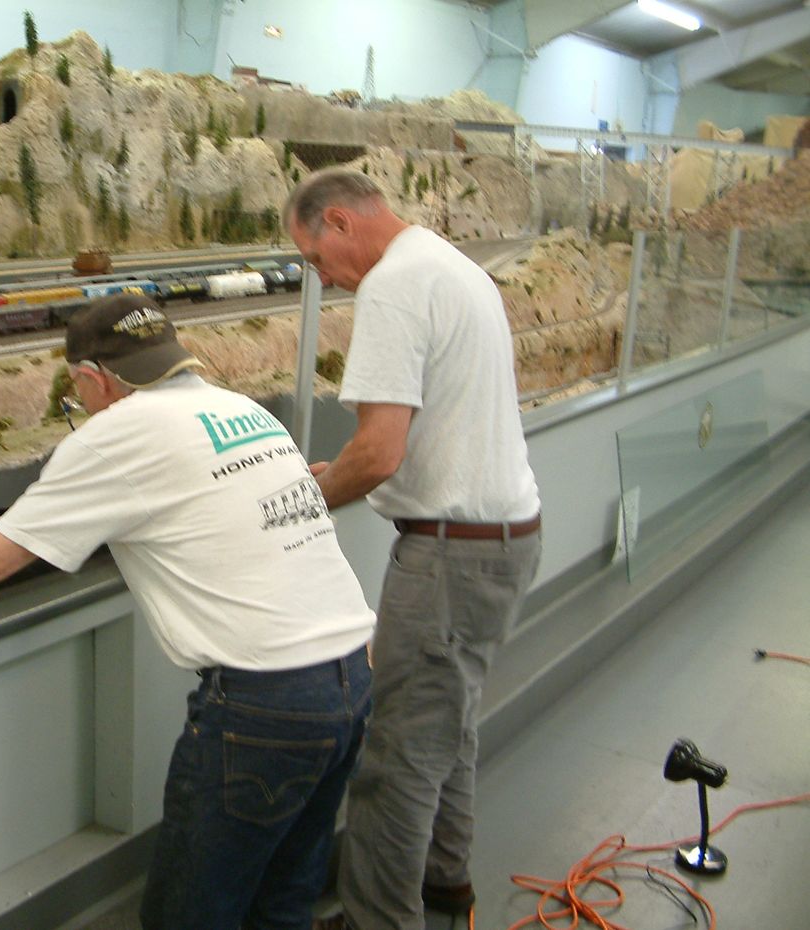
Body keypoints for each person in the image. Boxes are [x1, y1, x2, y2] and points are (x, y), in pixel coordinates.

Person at [0, 293, 376, 930]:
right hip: (352, 678)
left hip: (265, 708)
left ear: (90, 379)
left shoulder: (118, 434)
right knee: (283, 900)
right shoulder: (242, 410)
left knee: (189, 914)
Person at [283, 168, 542, 930]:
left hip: (449, 562)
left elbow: (381, 454)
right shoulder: (453, 266)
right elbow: (423, 434)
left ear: (338, 222)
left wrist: (296, 505)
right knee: (448, 733)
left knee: (397, 762)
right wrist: (350, 466)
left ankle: (377, 920)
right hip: (505, 540)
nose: (321, 278)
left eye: (313, 258)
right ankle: (444, 888)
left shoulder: (392, 287)